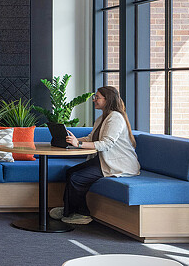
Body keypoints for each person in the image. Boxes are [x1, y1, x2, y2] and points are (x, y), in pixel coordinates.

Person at [49, 85, 140, 225]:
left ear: (107, 99)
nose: (94, 100)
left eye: (97, 97)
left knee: (76, 178)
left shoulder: (115, 118)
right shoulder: (102, 117)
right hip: (103, 160)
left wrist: (78, 145)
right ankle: (69, 209)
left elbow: (106, 144)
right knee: (70, 172)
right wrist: (74, 140)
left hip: (117, 163)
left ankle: (82, 214)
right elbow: (92, 138)